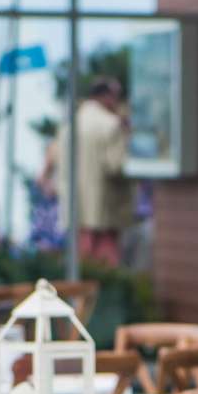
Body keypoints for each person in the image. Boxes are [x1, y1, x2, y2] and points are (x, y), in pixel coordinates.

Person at [70, 77, 134, 267]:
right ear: (107, 97)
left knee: (82, 259)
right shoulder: (111, 124)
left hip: (77, 205)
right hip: (105, 206)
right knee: (106, 261)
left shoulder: (72, 123)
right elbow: (116, 166)